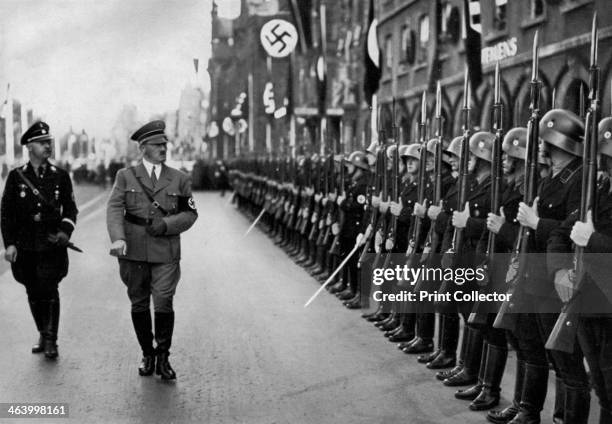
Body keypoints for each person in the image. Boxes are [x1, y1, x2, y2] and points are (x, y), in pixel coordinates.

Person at [106, 120, 198, 380]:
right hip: (133, 251)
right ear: (143, 147)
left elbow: (191, 214)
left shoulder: (179, 179)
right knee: (138, 302)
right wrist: (117, 238)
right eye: (157, 145)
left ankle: (163, 356)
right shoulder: (125, 176)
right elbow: (114, 209)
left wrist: (167, 224)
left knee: (164, 301)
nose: (163, 148)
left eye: (164, 144)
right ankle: (147, 353)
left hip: (166, 250)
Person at [1, 121, 78, 359]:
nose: (48, 146)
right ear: (29, 147)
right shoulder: (16, 177)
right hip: (25, 246)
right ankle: (43, 333)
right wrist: (10, 244)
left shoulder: (61, 176)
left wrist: (65, 232)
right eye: (42, 143)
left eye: (49, 142)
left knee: (50, 288)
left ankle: (52, 339)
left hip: (51, 243)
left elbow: (71, 210)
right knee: (33, 291)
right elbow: (6, 214)